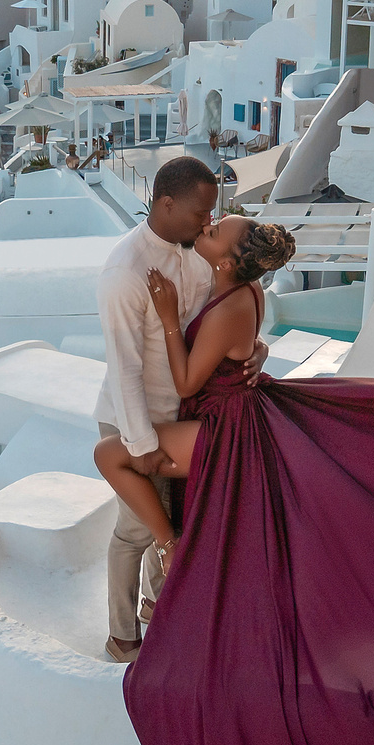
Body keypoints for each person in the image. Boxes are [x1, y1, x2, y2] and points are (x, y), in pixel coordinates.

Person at [97, 214, 299, 632]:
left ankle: (170, 547)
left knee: (109, 456)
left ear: (225, 262)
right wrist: (255, 349)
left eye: (214, 231)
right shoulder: (243, 285)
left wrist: (170, 319)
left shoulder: (231, 301)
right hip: (226, 414)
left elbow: (188, 384)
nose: (207, 226)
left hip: (221, 428)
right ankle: (160, 601)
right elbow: (242, 340)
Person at [91, 156, 219, 662]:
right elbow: (123, 366)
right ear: (166, 204)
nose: (208, 221)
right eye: (200, 213)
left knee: (177, 521)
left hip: (180, 418)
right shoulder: (124, 272)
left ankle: (155, 609)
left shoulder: (197, 253)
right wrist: (140, 444)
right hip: (131, 420)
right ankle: (123, 637)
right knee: (138, 530)